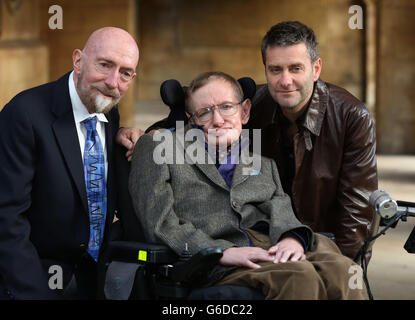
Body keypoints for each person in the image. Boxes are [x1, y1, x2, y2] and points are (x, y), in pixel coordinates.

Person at [129, 71, 367, 299]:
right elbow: (159, 224)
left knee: (345, 272)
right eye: (204, 112)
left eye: (226, 107)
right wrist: (223, 252)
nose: (218, 120)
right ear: (192, 122)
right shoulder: (159, 148)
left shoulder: (262, 163)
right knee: (299, 276)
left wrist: (292, 238)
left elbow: (282, 209)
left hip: (272, 246)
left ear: (244, 112)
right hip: (210, 258)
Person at [0, 27, 142, 299]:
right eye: (105, 65)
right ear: (78, 60)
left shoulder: (107, 111)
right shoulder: (24, 115)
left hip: (92, 280)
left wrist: (123, 134)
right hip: (34, 280)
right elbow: (6, 219)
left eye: (125, 73)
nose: (113, 82)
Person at [245, 21, 378, 260]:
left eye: (296, 68)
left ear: (316, 69)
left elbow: (356, 214)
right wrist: (162, 131)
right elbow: (199, 106)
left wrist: (347, 274)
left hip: (324, 242)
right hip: (265, 239)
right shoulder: (251, 107)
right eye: (275, 69)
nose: (285, 81)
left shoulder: (352, 117)